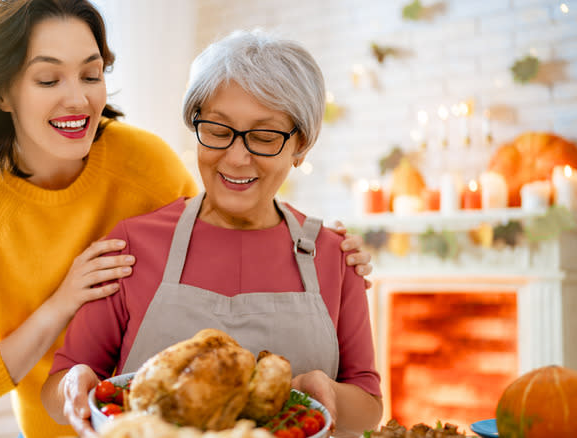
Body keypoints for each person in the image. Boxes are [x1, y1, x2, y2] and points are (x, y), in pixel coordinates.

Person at [0, 1, 373, 437]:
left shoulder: (142, 162)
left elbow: (223, 217)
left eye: (91, 74)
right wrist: (61, 305)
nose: (77, 98)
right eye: (47, 78)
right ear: (2, 92)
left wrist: (323, 248)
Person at [42, 29, 383, 438]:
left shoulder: (333, 255)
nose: (237, 158)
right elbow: (62, 384)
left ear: (301, 145)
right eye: (218, 131)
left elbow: (368, 405)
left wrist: (323, 391)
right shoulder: (134, 244)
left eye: (264, 137)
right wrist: (73, 382)